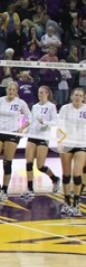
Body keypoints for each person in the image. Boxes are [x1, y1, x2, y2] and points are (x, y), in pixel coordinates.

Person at [0, 82, 30, 201]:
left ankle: (4, 191)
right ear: (6, 90)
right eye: (9, 89)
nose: (11, 91)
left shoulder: (20, 103)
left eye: (13, 89)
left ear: (16, 91)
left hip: (12, 134)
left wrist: (22, 128)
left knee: (7, 163)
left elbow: (29, 118)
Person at [21, 85, 60, 199]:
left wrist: (45, 123)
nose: (40, 95)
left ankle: (55, 179)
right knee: (28, 163)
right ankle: (30, 189)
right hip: (32, 136)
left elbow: (55, 121)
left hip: (43, 137)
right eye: (39, 93)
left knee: (40, 166)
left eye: (42, 92)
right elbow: (32, 122)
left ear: (47, 93)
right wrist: (25, 132)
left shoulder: (51, 106)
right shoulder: (35, 107)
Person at [58, 88, 86, 217]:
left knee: (77, 174)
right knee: (66, 175)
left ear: (84, 98)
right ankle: (67, 202)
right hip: (67, 144)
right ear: (71, 96)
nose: (78, 97)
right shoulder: (65, 109)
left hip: (82, 144)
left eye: (80, 96)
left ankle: (75, 204)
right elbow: (60, 127)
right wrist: (60, 142)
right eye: (76, 95)